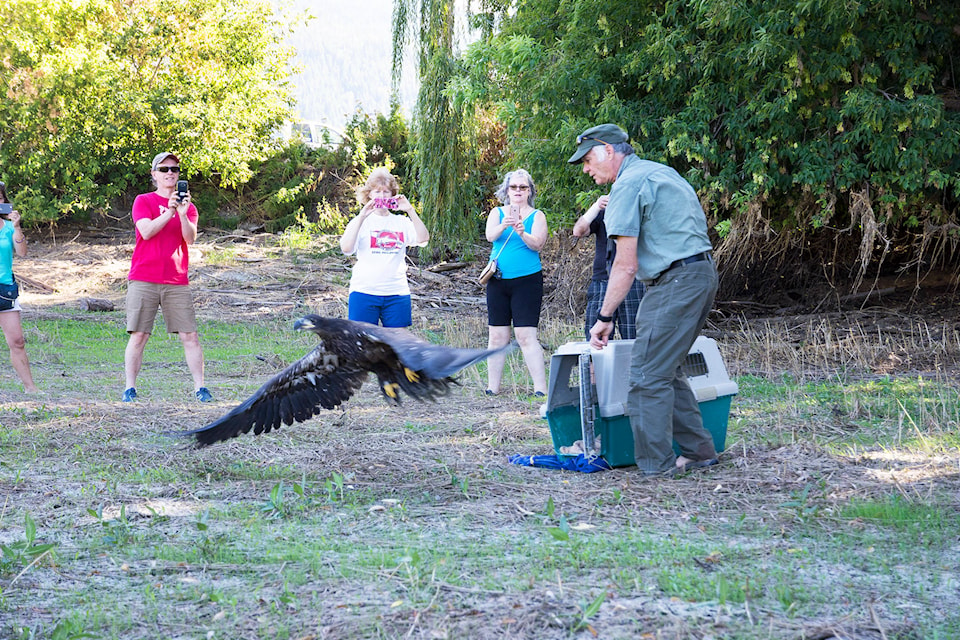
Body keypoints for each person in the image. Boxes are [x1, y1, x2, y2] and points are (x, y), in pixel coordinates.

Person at [569, 124, 718, 476]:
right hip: (699, 274)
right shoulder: (660, 171)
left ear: (608, 150)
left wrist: (605, 316)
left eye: (588, 160)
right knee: (666, 368)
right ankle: (699, 451)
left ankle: (657, 468)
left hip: (675, 282)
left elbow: (625, 264)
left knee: (646, 376)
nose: (587, 169)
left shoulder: (628, 185)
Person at [123, 152, 212, 403]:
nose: (170, 173)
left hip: (176, 279)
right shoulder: (143, 200)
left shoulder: (189, 207)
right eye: (164, 169)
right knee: (139, 334)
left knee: (189, 335)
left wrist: (182, 214)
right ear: (154, 175)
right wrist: (169, 211)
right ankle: (130, 388)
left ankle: (200, 388)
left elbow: (190, 239)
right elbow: (147, 231)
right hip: (144, 277)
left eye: (174, 169)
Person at [483, 169, 549, 397]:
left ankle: (541, 389)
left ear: (529, 190)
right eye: (514, 187)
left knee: (525, 335)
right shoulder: (497, 213)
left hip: (527, 281)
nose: (518, 191)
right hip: (498, 280)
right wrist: (505, 225)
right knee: (497, 335)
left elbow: (538, 244)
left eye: (523, 187)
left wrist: (522, 231)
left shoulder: (537, 215)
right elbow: (490, 236)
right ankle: (493, 387)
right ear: (506, 190)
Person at [340, 167, 429, 327]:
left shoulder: (401, 222)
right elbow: (346, 249)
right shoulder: (360, 222)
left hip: (396, 292)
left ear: (393, 195)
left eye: (386, 192)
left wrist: (410, 210)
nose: (381, 196)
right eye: (377, 192)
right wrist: (362, 216)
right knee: (363, 342)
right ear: (369, 195)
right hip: (364, 291)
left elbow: (423, 239)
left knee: (398, 343)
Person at [572, 194, 645, 341]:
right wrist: (597, 206)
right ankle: (597, 365)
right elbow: (578, 231)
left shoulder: (638, 211)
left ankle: (633, 365)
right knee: (595, 341)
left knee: (636, 339)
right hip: (603, 282)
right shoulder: (604, 212)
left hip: (632, 280)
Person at [0, 183, 39, 393]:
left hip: (5, 289)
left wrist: (16, 227)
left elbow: (22, 252)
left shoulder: (8, 229)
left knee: (17, 341)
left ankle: (30, 388)